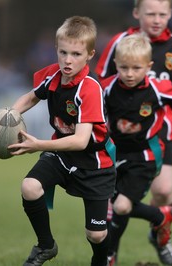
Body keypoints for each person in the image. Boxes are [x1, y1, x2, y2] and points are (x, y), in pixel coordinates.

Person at [95, 1, 172, 264]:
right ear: (137, 13)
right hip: (120, 136)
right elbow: (99, 82)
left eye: (162, 14)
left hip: (158, 131)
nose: (156, 20)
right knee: (118, 200)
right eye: (150, 14)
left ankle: (158, 236)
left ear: (170, 15)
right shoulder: (120, 42)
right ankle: (112, 254)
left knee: (164, 192)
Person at [7, 16, 116, 266]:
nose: (68, 60)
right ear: (56, 49)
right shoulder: (53, 76)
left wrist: (38, 145)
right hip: (61, 155)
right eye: (63, 52)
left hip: (94, 163)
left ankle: (101, 261)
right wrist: (9, 115)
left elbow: (80, 141)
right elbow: (31, 97)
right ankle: (46, 246)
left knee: (96, 235)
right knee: (30, 187)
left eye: (76, 54)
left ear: (89, 55)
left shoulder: (89, 88)